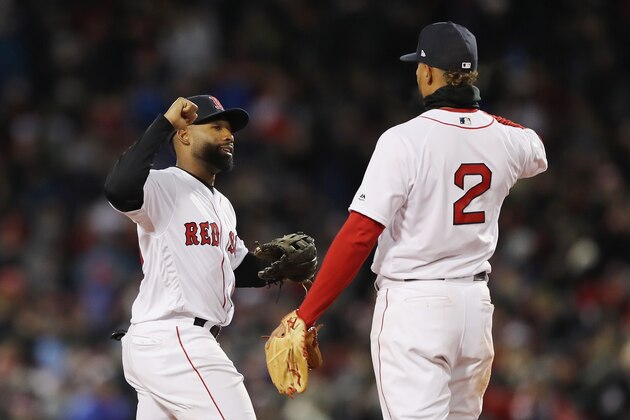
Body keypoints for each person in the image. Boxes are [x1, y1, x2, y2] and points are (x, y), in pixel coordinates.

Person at [267, 21, 548, 419]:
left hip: (416, 309)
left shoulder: (404, 140)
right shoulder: (507, 140)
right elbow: (536, 146)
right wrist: (476, 110)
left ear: (429, 72)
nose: (417, 72)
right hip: (475, 310)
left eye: (419, 65)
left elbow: (359, 235)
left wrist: (307, 313)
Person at [104, 95, 315, 419]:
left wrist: (278, 268)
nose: (228, 135)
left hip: (167, 344)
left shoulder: (222, 205)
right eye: (216, 127)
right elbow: (119, 188)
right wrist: (165, 123)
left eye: (229, 130)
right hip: (174, 338)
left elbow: (239, 268)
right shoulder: (163, 184)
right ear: (185, 135)